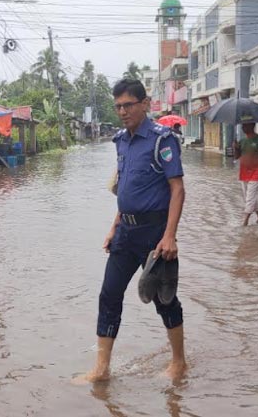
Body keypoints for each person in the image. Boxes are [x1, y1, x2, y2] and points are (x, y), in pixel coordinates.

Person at [80, 79, 186, 382]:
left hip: (155, 234)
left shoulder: (161, 140)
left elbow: (177, 190)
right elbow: (126, 189)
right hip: (126, 232)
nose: (123, 111)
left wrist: (169, 236)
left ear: (144, 104)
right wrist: (114, 226)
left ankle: (178, 362)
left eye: (128, 105)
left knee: (164, 300)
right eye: (118, 107)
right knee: (109, 294)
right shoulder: (120, 141)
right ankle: (101, 369)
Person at [232, 122, 258, 226]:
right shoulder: (242, 141)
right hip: (244, 173)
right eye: (243, 126)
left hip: (256, 173)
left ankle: (244, 221)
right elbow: (236, 157)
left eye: (245, 125)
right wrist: (235, 148)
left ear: (252, 126)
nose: (243, 127)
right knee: (249, 197)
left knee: (250, 198)